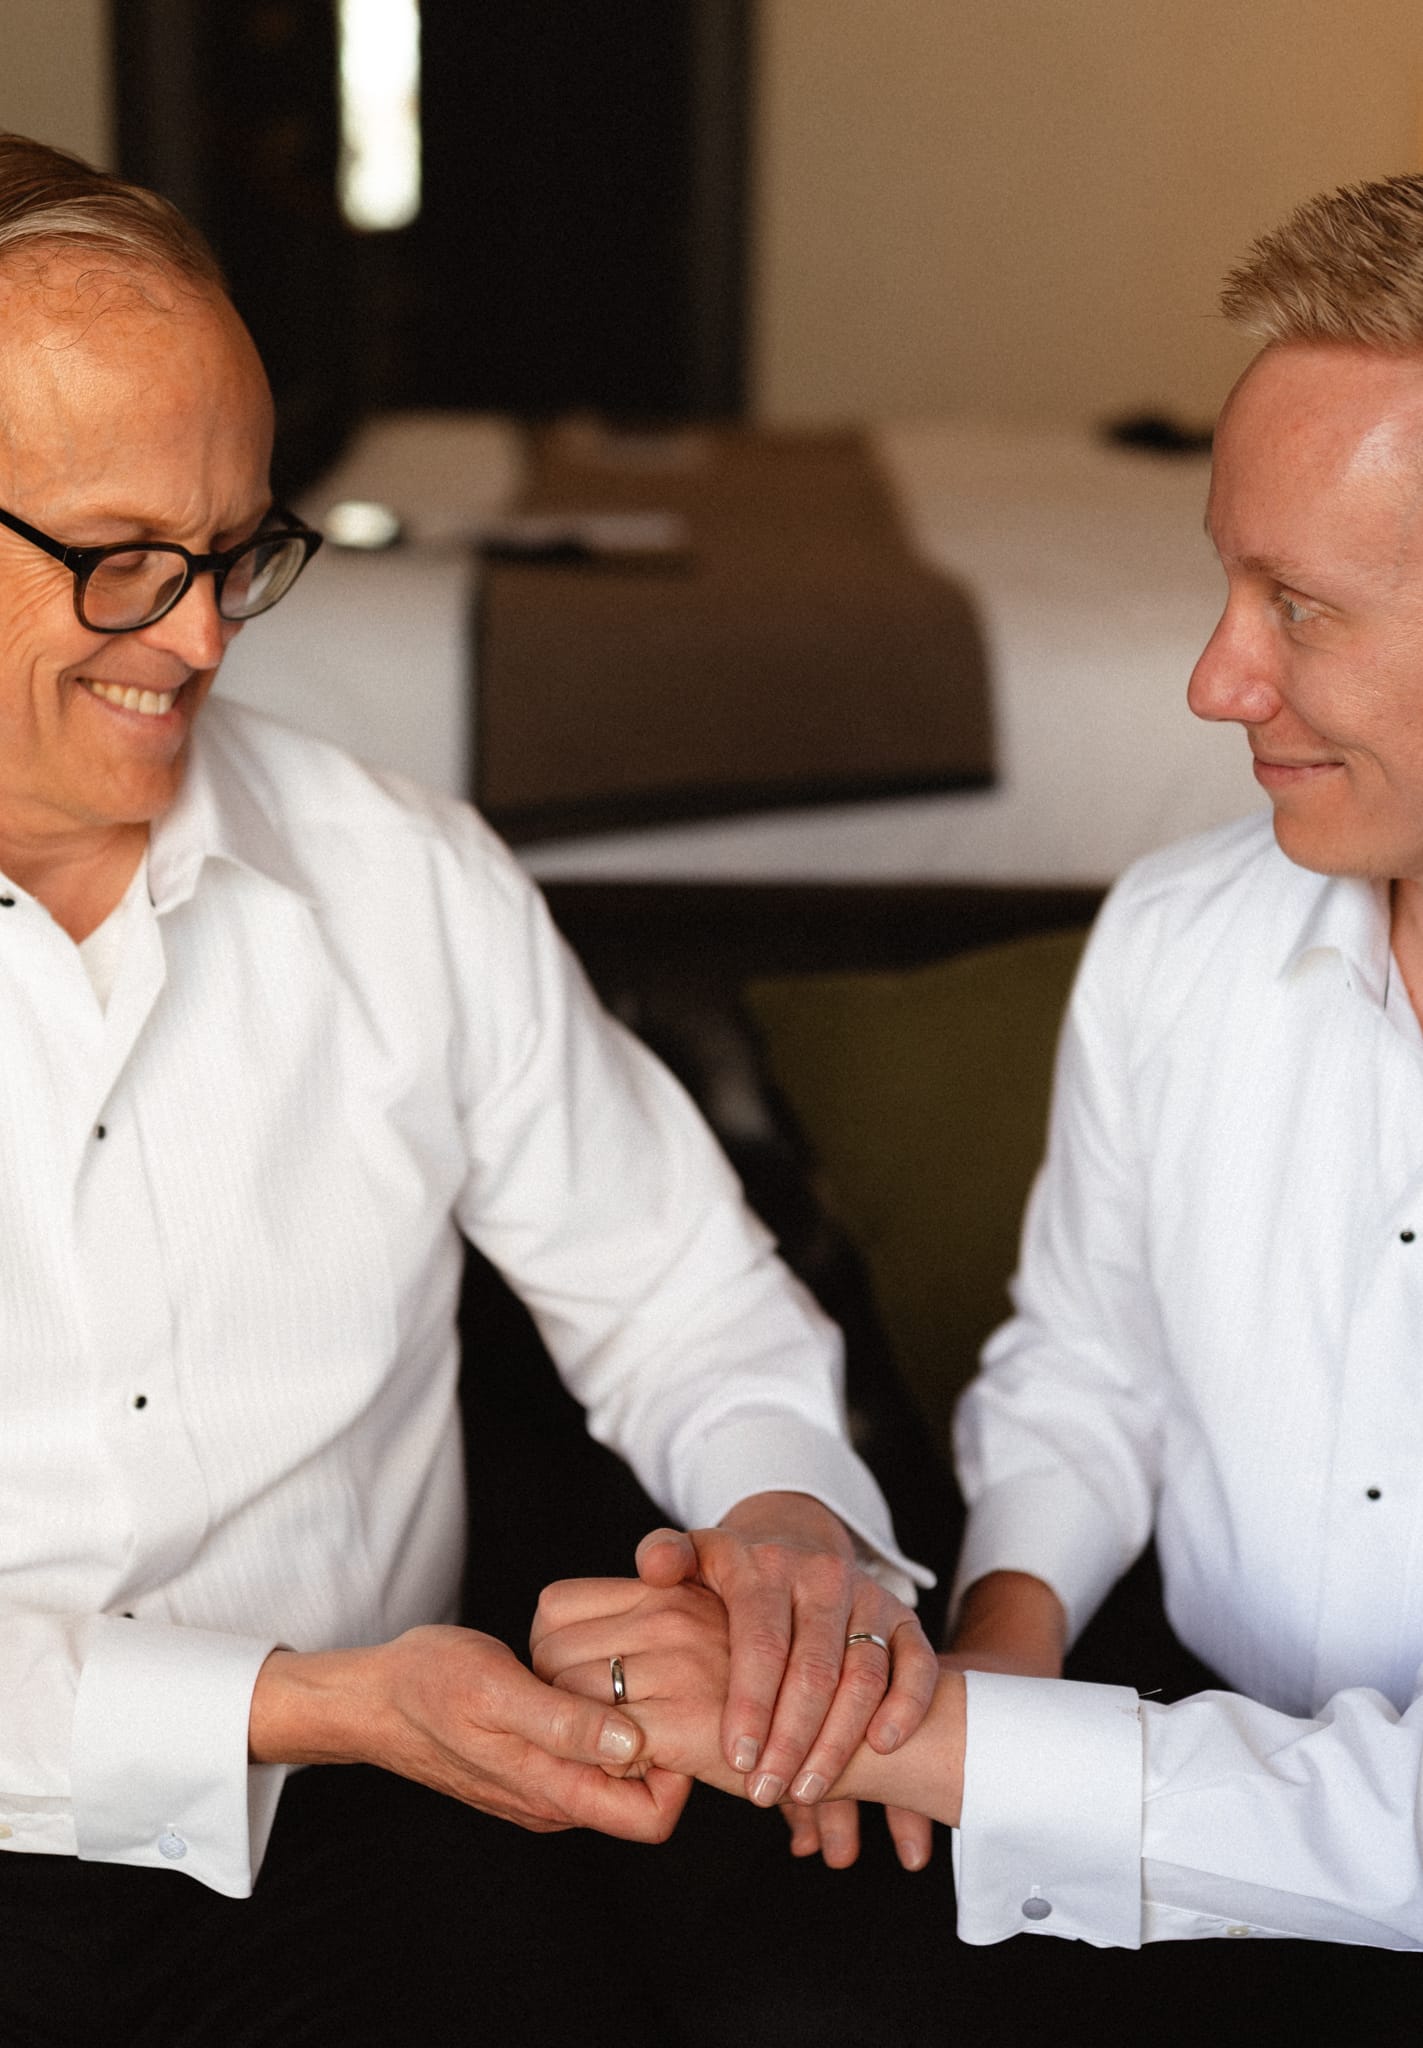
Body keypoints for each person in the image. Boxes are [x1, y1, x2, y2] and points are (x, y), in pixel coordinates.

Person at [0, 133, 940, 2043]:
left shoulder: (403, 874)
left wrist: (789, 1523)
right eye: (119, 560)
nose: (198, 635)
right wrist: (316, 1700)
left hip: (372, 1830)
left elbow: (680, 1293)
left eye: (236, 550)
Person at [536, 169, 1423, 1960]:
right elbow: (1089, 1359)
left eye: (1301, 605)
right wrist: (984, 1656)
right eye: (1223, 579)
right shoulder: (1178, 936)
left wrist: (944, 1747)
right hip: (1148, 1764)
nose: (1215, 680)